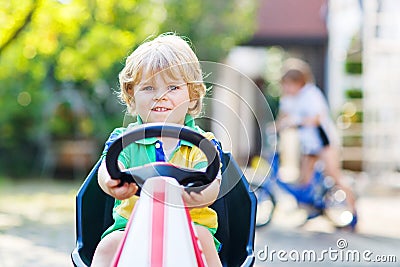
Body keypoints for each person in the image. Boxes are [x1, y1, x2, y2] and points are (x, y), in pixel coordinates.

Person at [91, 33, 223, 267]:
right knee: (108, 246)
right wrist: (114, 181)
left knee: (203, 240)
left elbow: (211, 187)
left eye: (172, 87)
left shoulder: (203, 144)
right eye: (149, 88)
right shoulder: (123, 141)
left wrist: (174, 195)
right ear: (131, 96)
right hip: (131, 226)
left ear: (192, 96)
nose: (160, 96)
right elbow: (107, 171)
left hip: (192, 223)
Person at [277, 58, 357, 215]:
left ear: (299, 83)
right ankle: (312, 210)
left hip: (323, 142)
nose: (286, 88)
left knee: (334, 175)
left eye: (289, 84)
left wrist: (295, 121)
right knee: (305, 180)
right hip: (308, 145)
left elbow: (317, 118)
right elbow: (283, 118)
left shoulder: (311, 94)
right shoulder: (288, 99)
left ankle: (353, 211)